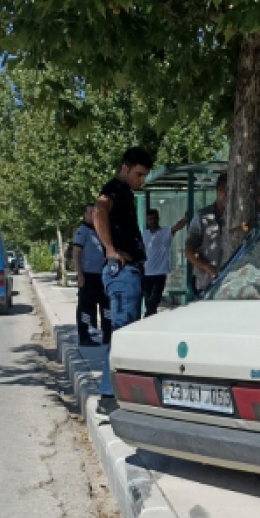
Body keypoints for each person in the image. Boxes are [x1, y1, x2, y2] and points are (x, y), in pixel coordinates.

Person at [93, 146, 153, 399]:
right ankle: (111, 392)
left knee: (123, 331)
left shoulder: (124, 192)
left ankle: (115, 390)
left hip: (128, 272)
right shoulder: (113, 190)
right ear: (125, 168)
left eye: (145, 175)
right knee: (122, 332)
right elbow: (99, 210)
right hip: (123, 273)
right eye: (138, 174)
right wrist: (110, 249)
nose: (142, 180)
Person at [71, 204, 111, 346]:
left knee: (106, 306)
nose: (93, 215)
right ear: (85, 215)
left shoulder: (100, 230)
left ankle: (107, 333)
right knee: (86, 307)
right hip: (88, 276)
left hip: (102, 275)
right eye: (90, 212)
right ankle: (84, 336)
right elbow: (76, 254)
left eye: (95, 212)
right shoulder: (82, 232)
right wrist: (80, 274)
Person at [141, 208, 190, 318]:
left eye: (154, 218)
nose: (152, 221)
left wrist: (186, 218)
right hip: (146, 273)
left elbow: (178, 226)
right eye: (150, 219)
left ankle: (149, 320)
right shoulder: (144, 234)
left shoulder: (165, 232)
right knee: (148, 302)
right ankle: (149, 319)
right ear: (147, 220)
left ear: (158, 219)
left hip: (160, 273)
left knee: (154, 301)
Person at [185, 173, 228, 295]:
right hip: (206, 286)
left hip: (232, 286)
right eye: (232, 192)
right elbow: (189, 251)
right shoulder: (202, 217)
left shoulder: (240, 217)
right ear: (220, 191)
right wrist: (207, 267)